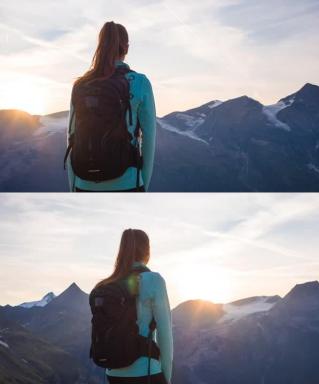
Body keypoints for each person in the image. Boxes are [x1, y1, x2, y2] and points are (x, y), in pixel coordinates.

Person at [66, 21, 156, 192]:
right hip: (127, 181)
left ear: (100, 45)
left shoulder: (80, 85)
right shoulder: (140, 83)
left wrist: (73, 186)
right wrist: (143, 185)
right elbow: (149, 140)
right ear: (126, 48)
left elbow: (72, 138)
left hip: (83, 182)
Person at [94, 229, 172, 384]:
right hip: (146, 373)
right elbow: (165, 336)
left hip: (113, 373)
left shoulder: (105, 285)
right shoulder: (154, 280)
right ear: (147, 252)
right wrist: (167, 379)